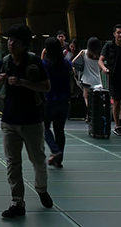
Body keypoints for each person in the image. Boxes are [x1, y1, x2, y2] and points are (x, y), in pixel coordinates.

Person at [0, 24, 53, 218]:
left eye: (15, 41)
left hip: (32, 120)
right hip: (9, 121)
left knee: (38, 160)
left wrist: (23, 82)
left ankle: (41, 189)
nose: (10, 43)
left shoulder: (34, 62)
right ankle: (17, 202)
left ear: (24, 45)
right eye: (9, 40)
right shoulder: (5, 62)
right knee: (12, 163)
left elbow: (47, 87)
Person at [41, 36, 72, 168]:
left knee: (43, 126)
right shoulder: (66, 64)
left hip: (49, 101)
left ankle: (55, 150)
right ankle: (59, 160)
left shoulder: (45, 64)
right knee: (60, 130)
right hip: (64, 101)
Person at [71, 37, 103, 121]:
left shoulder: (84, 52)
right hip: (97, 80)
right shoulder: (100, 55)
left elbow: (73, 62)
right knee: (97, 99)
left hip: (86, 79)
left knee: (86, 98)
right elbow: (100, 68)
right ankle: (95, 114)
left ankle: (90, 114)